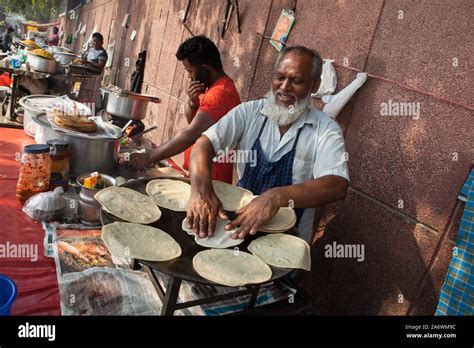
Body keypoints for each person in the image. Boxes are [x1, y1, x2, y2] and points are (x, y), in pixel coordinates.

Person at [186, 46, 350, 242]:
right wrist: (200, 188)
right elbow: (203, 145)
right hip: (235, 226)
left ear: (314, 85)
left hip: (286, 241)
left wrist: (276, 197)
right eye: (279, 77)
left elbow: (337, 185)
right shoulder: (249, 112)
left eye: (296, 81)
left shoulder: (325, 130)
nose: (284, 88)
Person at [127, 35, 241, 184]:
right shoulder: (216, 87)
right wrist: (193, 103)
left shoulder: (218, 95)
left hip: (209, 180)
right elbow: (195, 123)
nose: (189, 77)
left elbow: (191, 134)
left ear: (205, 69)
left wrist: (148, 157)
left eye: (190, 71)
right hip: (202, 174)